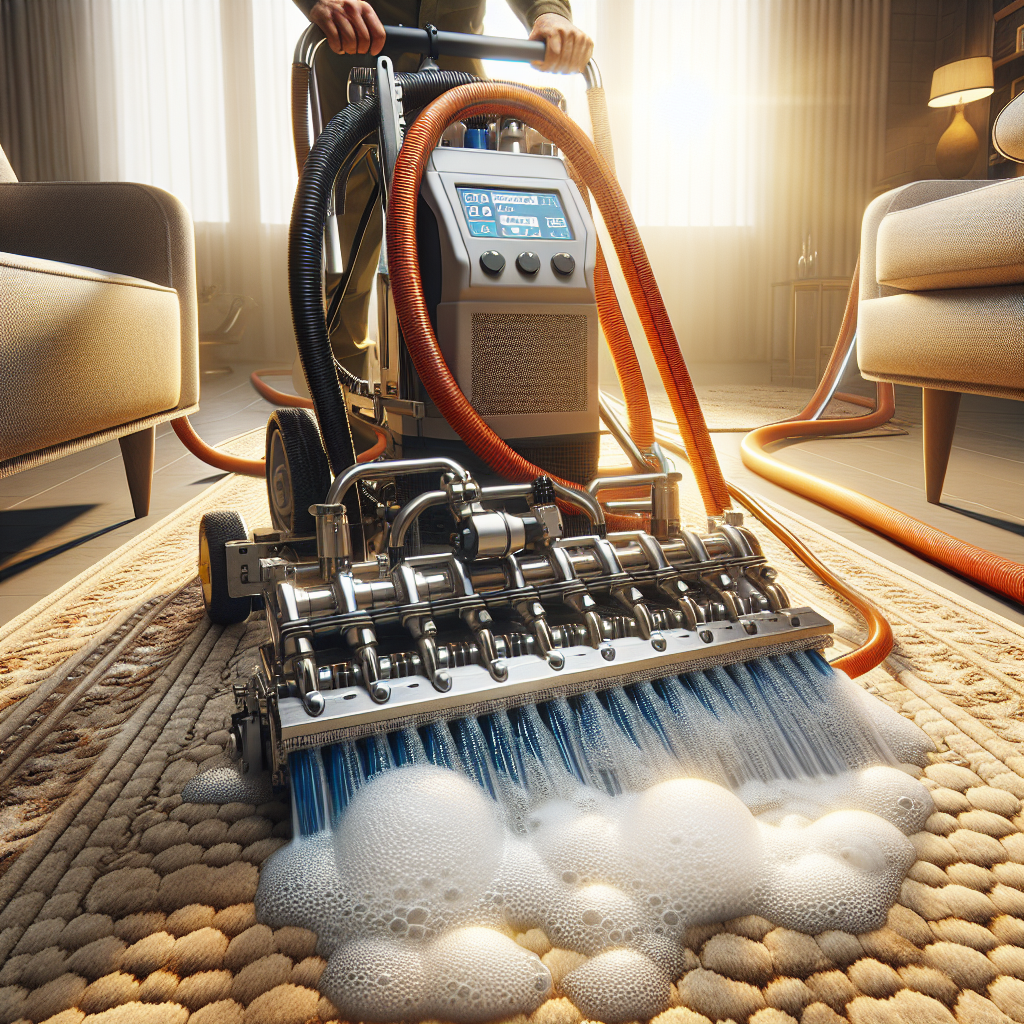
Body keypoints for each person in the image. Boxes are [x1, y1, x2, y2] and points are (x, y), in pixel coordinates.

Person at [291, 0, 593, 377]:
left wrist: (548, 12)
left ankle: (483, 389)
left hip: (457, 65)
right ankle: (342, 410)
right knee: (349, 261)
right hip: (357, 57)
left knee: (481, 248)